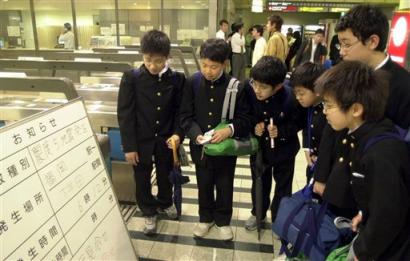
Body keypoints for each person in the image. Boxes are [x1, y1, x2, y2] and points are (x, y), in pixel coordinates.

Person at [313, 4, 410, 211]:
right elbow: (330, 129)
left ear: (373, 41)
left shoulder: (402, 85)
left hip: (372, 188)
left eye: (347, 44)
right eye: (340, 45)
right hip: (336, 178)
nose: (343, 52)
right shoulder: (343, 74)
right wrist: (320, 175)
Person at [315, 60, 410, 261]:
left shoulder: (381, 152)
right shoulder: (360, 136)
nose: (324, 111)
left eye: (329, 105)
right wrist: (365, 214)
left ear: (356, 109)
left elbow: (389, 215)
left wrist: (362, 252)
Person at [180, 38, 252, 241]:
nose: (208, 70)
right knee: (203, 182)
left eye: (214, 66)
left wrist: (229, 130)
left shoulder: (236, 86)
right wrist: (195, 134)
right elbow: (185, 115)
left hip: (225, 149)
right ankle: (205, 218)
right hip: (201, 147)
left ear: (225, 64)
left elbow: (246, 119)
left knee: (224, 183)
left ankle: (222, 220)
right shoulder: (193, 82)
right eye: (204, 65)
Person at [117, 30, 185, 235]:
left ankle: (165, 202)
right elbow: (125, 114)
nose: (153, 66)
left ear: (167, 58)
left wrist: (177, 134)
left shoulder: (177, 79)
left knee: (165, 175)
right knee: (142, 176)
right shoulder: (132, 78)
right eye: (148, 60)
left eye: (158, 61)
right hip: (140, 140)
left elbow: (180, 111)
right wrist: (129, 147)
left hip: (166, 139)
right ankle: (148, 210)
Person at [244, 56, 305, 230]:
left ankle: (279, 218)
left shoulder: (291, 97)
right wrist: (253, 127)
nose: (257, 90)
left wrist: (281, 131)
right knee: (259, 181)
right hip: (260, 149)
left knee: (283, 186)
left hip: (285, 149)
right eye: (255, 83)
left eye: (263, 87)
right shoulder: (249, 91)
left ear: (277, 86)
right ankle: (258, 213)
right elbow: (244, 114)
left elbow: (299, 122)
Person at [289, 62, 326, 183]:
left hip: (325, 168)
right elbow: (307, 129)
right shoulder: (308, 106)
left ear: (317, 89)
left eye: (301, 93)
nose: (298, 97)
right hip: (312, 164)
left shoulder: (328, 111)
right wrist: (307, 151)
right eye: (296, 93)